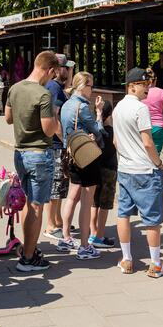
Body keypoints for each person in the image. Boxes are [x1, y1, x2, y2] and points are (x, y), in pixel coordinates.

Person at [5, 51, 61, 272]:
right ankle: (28, 258)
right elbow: (49, 129)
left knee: (30, 203)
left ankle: (29, 247)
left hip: (20, 153)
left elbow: (8, 119)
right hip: (39, 154)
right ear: (48, 70)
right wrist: (55, 116)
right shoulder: (44, 94)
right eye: (53, 74)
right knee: (37, 206)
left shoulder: (15, 88)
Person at [113, 68, 163, 277]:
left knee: (124, 214)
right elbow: (148, 143)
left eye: (148, 84)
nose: (147, 88)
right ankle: (155, 264)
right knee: (152, 219)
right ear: (132, 85)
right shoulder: (140, 109)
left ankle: (127, 259)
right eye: (143, 84)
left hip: (125, 168)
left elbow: (116, 141)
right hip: (145, 169)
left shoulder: (118, 108)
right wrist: (158, 162)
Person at [57, 72, 104, 260]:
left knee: (72, 196)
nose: (92, 89)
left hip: (71, 154)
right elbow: (98, 131)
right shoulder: (82, 106)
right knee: (87, 200)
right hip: (86, 156)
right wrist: (99, 113)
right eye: (91, 86)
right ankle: (85, 246)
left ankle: (66, 237)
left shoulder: (67, 104)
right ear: (82, 86)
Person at [43, 54, 73, 241]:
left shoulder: (55, 87)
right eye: (67, 68)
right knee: (56, 184)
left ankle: (57, 220)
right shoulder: (54, 87)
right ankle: (51, 224)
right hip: (55, 143)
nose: (70, 71)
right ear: (58, 69)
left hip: (55, 142)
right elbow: (54, 117)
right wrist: (65, 140)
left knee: (59, 184)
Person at [90, 100, 117, 248]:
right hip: (109, 170)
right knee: (105, 205)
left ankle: (93, 232)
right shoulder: (111, 132)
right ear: (110, 115)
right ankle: (100, 236)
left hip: (96, 168)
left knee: (94, 202)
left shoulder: (94, 130)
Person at [142, 68, 163, 154]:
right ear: (155, 79)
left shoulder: (141, 93)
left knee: (143, 155)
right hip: (158, 127)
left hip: (143, 126)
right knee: (156, 155)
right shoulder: (162, 92)